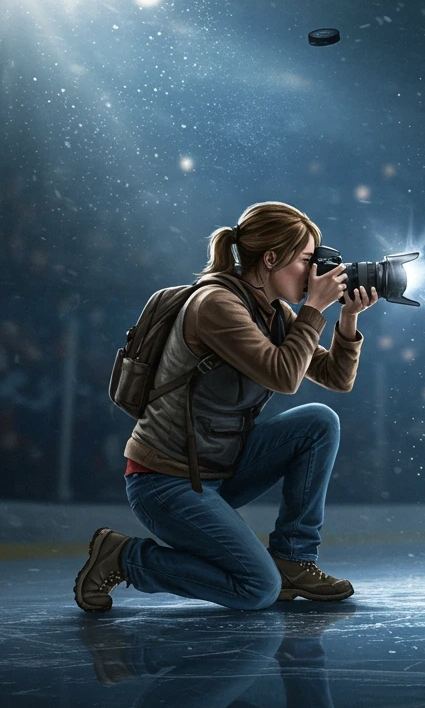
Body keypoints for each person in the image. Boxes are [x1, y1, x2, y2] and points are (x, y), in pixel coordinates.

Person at [75, 201, 378, 612]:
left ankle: (293, 558)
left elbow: (337, 379)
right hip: (165, 481)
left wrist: (347, 319)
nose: (314, 274)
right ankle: (125, 558)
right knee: (256, 588)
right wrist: (314, 309)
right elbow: (284, 376)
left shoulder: (273, 312)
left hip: (218, 468)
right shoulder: (216, 305)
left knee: (318, 422)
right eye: (306, 260)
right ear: (271, 258)